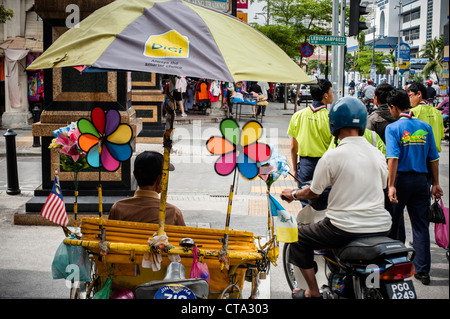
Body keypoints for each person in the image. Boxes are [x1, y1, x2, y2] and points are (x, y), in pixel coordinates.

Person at [281, 97, 392, 299]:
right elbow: (383, 185)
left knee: (298, 237)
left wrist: (293, 194)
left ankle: (313, 291)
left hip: (344, 228)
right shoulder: (376, 153)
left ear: (334, 124)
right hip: (382, 226)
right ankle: (359, 283)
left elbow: (314, 192)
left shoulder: (332, 156)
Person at [385, 89, 443, 285]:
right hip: (421, 181)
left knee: (393, 223)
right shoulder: (425, 127)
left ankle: (393, 265)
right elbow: (433, 158)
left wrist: (391, 185)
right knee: (420, 226)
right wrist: (435, 183)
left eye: (389, 108)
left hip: (400, 180)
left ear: (393, 107)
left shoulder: (393, 128)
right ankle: (423, 271)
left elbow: (393, 158)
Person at [286, 78, 333, 207]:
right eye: (331, 91)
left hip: (305, 166)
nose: (332, 94)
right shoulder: (330, 118)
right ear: (325, 95)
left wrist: (295, 169)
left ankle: (305, 226)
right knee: (323, 201)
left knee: (305, 201)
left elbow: (293, 148)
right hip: (325, 165)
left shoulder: (298, 115)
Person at [109, 151, 186, 226]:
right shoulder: (172, 213)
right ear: (159, 179)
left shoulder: (118, 208)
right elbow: (185, 238)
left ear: (135, 175)